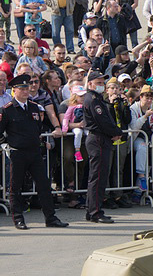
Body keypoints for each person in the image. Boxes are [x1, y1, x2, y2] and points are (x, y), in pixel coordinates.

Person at [0, 74, 69, 229]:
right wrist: (6, 144)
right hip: (17, 153)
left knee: (44, 185)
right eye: (22, 88)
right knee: (15, 187)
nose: (26, 90)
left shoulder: (34, 107)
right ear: (14, 90)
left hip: (34, 152)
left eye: (27, 87)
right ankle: (18, 218)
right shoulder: (7, 110)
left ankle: (50, 218)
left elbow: (40, 127)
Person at [82, 71, 123, 223]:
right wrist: (116, 132)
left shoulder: (97, 98)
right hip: (98, 138)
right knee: (98, 178)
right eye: (98, 83)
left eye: (102, 83)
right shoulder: (92, 99)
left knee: (98, 177)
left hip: (101, 138)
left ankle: (91, 209)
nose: (102, 85)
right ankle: (95, 212)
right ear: (90, 84)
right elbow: (102, 121)